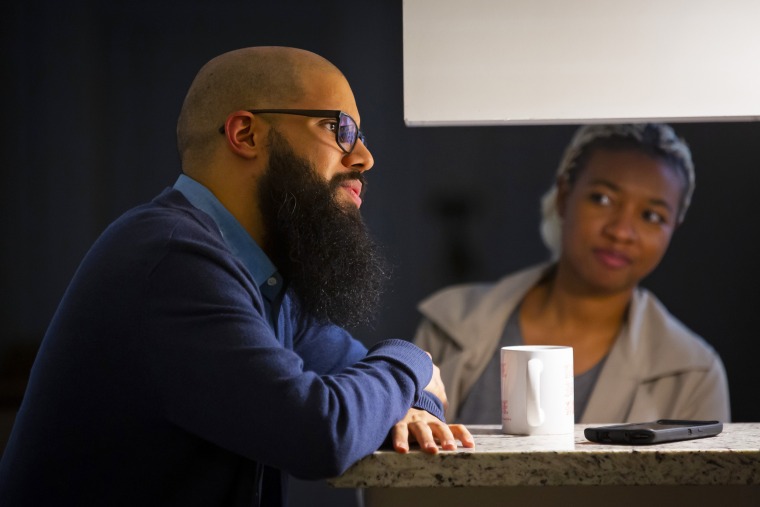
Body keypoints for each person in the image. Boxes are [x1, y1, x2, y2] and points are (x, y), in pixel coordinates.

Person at [0, 46, 473, 506]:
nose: (364, 157)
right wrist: (413, 360)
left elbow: (373, 387)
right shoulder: (170, 257)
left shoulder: (264, 276)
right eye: (339, 128)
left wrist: (408, 401)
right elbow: (321, 431)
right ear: (245, 134)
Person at [413, 123, 731, 424]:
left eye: (651, 215)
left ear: (673, 228)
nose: (621, 231)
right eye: (602, 198)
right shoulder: (449, 324)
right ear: (565, 197)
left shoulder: (694, 374)